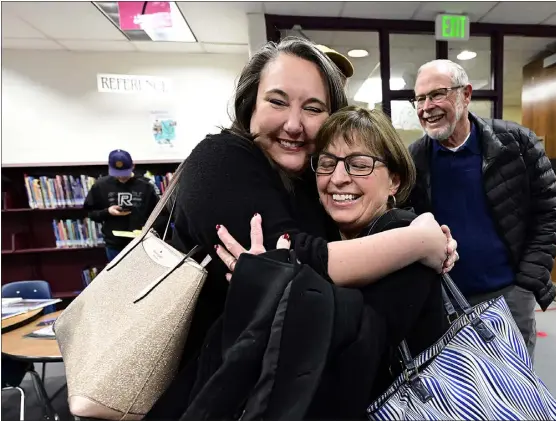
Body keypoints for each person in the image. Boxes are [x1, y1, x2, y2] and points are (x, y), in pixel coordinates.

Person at [145, 38, 457, 419]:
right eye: (277, 101)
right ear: (251, 104)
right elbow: (303, 258)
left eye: (313, 108)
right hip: (219, 389)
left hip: (283, 391)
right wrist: (418, 241)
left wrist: (424, 234)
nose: (294, 124)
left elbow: (307, 274)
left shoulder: (309, 181)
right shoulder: (221, 159)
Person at [212, 106, 448, 415]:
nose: (338, 178)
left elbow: (344, 368)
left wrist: (276, 290)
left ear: (394, 180)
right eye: (327, 163)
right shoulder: (331, 237)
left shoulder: (401, 238)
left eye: (359, 164)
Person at [406, 59, 556, 360]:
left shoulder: (517, 144)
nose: (426, 106)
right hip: (445, 301)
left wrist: (526, 283)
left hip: (508, 296)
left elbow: (549, 212)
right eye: (420, 98)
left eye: (437, 94)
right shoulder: (413, 161)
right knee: (458, 394)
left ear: (465, 95)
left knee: (516, 392)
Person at [83, 149, 160, 262]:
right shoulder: (100, 185)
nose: (121, 177)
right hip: (114, 245)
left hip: (142, 243)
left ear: (133, 166)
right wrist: (107, 212)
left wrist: (150, 227)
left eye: (124, 173)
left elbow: (160, 213)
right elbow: (90, 213)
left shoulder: (146, 185)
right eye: (117, 174)